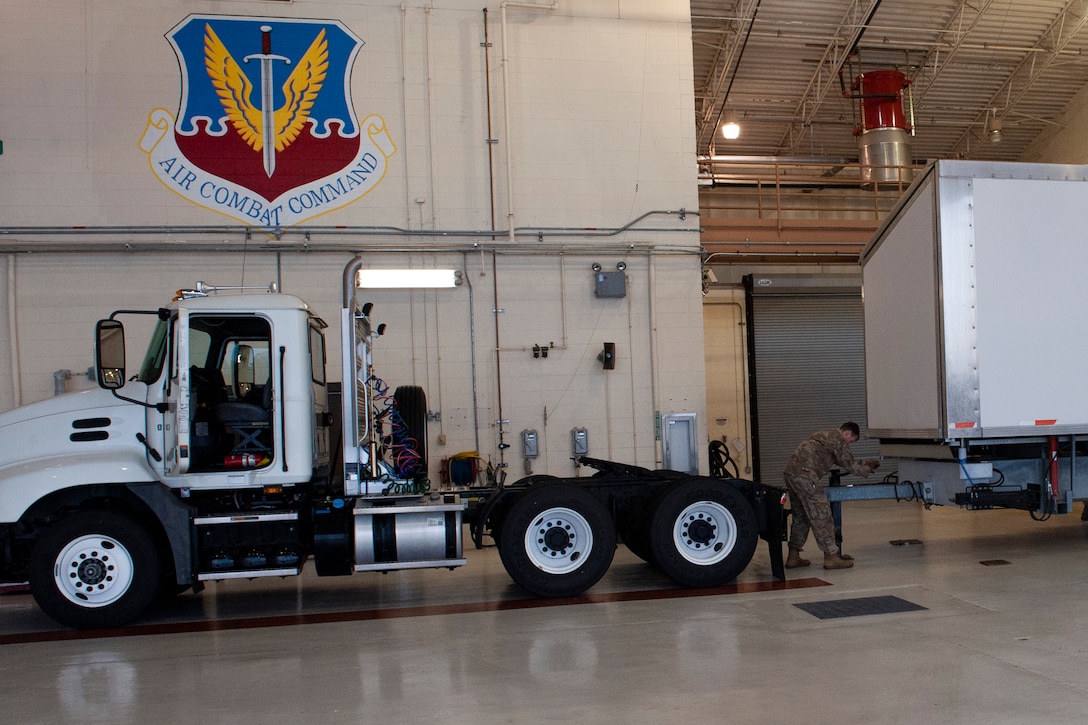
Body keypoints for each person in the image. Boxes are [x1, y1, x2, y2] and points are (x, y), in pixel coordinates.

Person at [783, 422, 879, 570]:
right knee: (822, 514)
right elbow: (850, 464)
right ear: (847, 433)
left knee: (801, 516)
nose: (849, 444)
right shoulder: (838, 439)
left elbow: (844, 460)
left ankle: (793, 556)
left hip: (792, 474)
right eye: (851, 441)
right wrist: (867, 469)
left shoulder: (825, 435)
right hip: (806, 476)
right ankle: (831, 557)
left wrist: (864, 463)